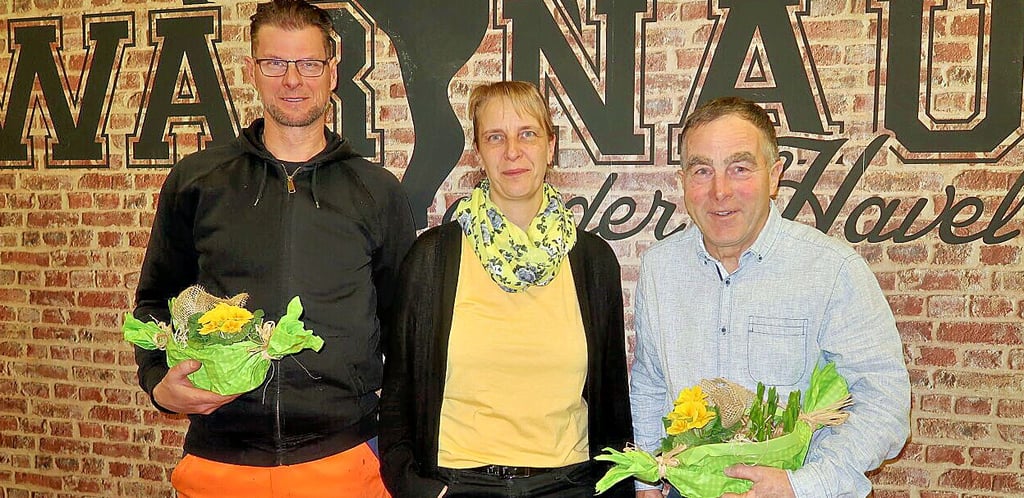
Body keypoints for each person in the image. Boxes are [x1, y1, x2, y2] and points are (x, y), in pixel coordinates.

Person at [131, 1, 415, 496]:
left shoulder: (376, 191)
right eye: (275, 63)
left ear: (332, 71)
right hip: (221, 459)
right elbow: (156, 300)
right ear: (252, 71)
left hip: (346, 460)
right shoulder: (198, 181)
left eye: (309, 63)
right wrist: (157, 380)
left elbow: (403, 330)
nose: (292, 80)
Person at [630, 96, 910, 497]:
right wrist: (646, 481)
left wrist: (801, 485)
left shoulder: (833, 270)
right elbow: (650, 382)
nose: (720, 191)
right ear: (683, 180)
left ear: (774, 175)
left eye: (740, 168)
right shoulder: (660, 268)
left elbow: (883, 401)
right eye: (702, 170)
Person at [378, 80, 633, 498]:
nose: (512, 151)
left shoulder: (593, 262)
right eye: (495, 137)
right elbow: (397, 395)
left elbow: (614, 402)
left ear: (550, 146)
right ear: (478, 154)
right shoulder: (433, 258)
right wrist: (417, 488)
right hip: (459, 484)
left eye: (527, 134)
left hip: (569, 485)